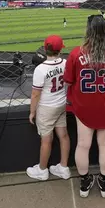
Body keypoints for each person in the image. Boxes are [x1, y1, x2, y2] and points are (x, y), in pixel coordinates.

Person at [63, 15, 105, 198]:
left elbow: (68, 80)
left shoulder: (76, 54)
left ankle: (85, 182)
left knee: (83, 145)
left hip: (83, 106)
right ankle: (104, 182)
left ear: (88, 32)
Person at [26, 35, 71, 181]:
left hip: (46, 107)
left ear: (45, 49)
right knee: (63, 135)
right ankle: (64, 168)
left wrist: (32, 112)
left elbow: (35, 94)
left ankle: (42, 170)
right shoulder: (65, 62)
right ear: (60, 49)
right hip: (61, 104)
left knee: (46, 140)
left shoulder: (40, 69)